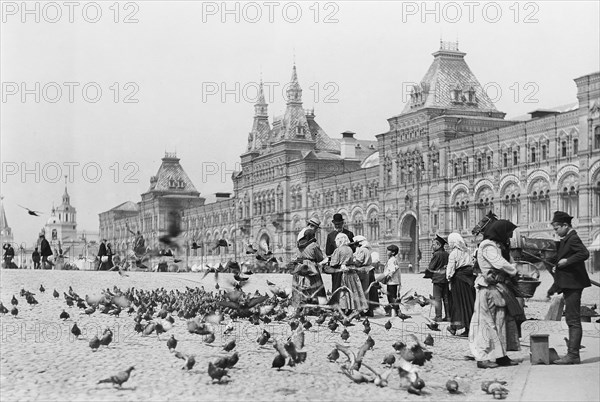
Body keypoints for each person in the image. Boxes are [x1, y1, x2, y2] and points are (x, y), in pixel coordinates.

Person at [470, 219, 522, 369]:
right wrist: (514, 270)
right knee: (485, 324)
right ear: (501, 232)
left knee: (500, 324)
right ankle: (482, 357)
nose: (510, 236)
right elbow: (499, 263)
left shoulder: (496, 246)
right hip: (486, 289)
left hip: (496, 289)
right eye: (509, 233)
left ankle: (500, 356)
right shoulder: (487, 246)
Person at [550, 211, 591, 365]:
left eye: (557, 228)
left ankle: (573, 355)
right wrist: (558, 266)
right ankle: (572, 352)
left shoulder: (572, 238)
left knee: (573, 320)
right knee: (571, 319)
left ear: (565, 225)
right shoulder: (566, 238)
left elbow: (584, 253)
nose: (556, 231)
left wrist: (566, 262)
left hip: (574, 284)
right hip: (570, 283)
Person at [329, 233, 368, 314]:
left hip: (342, 273)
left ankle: (342, 309)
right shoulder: (349, 249)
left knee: (343, 292)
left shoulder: (338, 250)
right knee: (352, 291)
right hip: (351, 273)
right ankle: (350, 309)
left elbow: (333, 263)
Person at [446, 232, 476, 337]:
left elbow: (450, 269)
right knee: (469, 303)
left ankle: (459, 327)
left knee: (458, 304)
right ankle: (459, 327)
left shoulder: (453, 253)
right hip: (469, 279)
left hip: (458, 280)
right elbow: (472, 263)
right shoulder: (468, 251)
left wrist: (449, 279)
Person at [290, 228, 327, 309]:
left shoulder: (299, 244)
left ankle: (299, 305)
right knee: (314, 285)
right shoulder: (314, 245)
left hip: (300, 266)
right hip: (311, 267)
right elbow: (320, 258)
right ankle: (314, 307)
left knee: (300, 285)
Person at [325, 213, 355, 293]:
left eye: (339, 224)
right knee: (336, 285)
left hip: (348, 266)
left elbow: (354, 249)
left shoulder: (349, 234)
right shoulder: (330, 236)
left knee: (349, 287)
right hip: (336, 267)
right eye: (336, 224)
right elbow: (328, 251)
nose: (337, 226)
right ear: (333, 224)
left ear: (342, 223)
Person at [352, 235, 379, 317]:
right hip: (369, 271)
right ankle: (370, 310)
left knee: (361, 291)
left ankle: (360, 311)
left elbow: (358, 262)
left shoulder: (362, 250)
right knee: (370, 291)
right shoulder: (367, 250)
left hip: (363, 271)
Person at [427, 234, 450, 322]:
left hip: (437, 279)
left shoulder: (436, 254)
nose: (432, 246)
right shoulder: (447, 254)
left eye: (434, 244)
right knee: (446, 298)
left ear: (439, 245)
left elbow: (431, 267)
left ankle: (438, 316)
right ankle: (448, 316)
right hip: (446, 279)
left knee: (437, 298)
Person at [380, 244, 402, 317]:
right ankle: (397, 311)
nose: (387, 251)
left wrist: (387, 279)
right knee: (393, 297)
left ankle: (394, 311)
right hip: (395, 282)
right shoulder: (394, 259)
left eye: (388, 250)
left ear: (393, 252)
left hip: (391, 282)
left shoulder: (391, 260)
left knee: (391, 297)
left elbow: (391, 271)